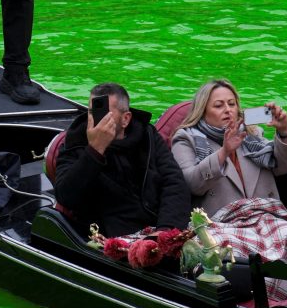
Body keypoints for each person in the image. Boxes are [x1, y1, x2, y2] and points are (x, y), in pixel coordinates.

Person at [54, 83, 192, 237]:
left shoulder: (147, 136)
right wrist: (94, 150)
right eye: (93, 112)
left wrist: (166, 229)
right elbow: (66, 197)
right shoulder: (75, 143)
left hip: (159, 225)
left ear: (126, 119)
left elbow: (174, 182)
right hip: (112, 238)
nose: (97, 120)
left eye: (105, 114)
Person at [170, 79, 287, 215]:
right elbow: (192, 185)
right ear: (202, 111)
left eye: (232, 104)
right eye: (218, 106)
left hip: (268, 215)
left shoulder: (252, 134)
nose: (228, 110)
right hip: (224, 223)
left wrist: (284, 132)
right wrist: (224, 152)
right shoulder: (185, 138)